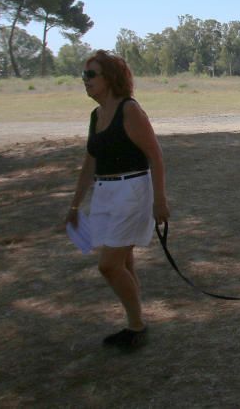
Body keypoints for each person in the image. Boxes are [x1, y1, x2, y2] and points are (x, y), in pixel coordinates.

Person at [64, 50, 169, 351]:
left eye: (90, 75)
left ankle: (137, 325)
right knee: (123, 261)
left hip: (132, 191)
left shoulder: (129, 110)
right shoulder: (96, 116)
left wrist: (160, 200)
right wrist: (74, 206)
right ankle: (134, 322)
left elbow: (155, 156)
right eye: (83, 75)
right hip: (105, 192)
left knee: (108, 265)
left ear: (110, 77)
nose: (85, 81)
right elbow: (89, 164)